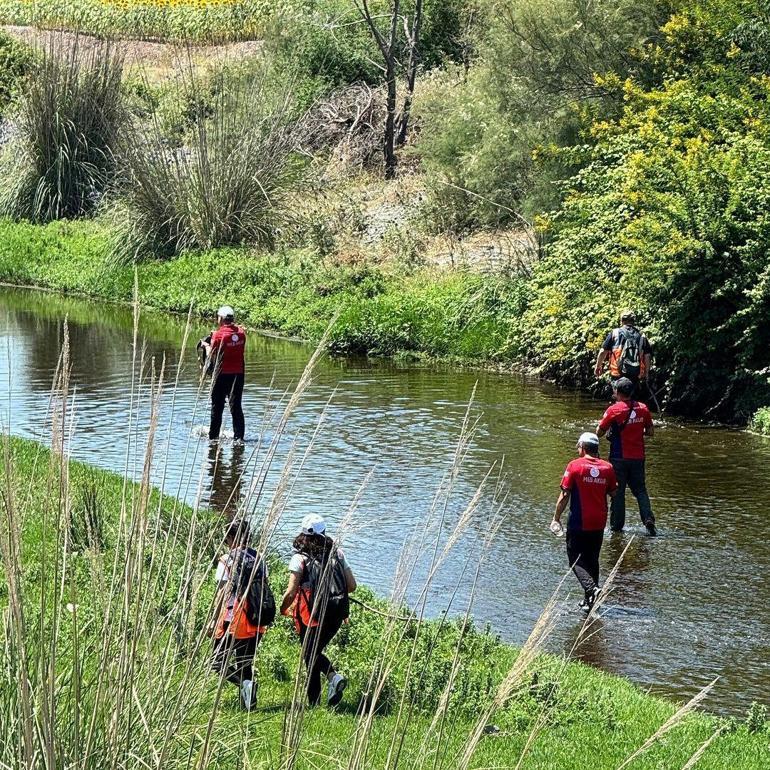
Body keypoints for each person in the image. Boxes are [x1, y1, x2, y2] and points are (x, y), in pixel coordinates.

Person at [280, 514, 357, 707]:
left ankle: (331, 679)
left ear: (303, 535)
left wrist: (282, 608)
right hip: (337, 613)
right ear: (324, 532)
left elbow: (291, 592)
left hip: (311, 615)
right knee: (313, 653)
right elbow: (352, 585)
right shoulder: (338, 554)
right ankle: (323, 694)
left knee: (309, 654)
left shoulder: (299, 558)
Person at [551, 432, 617, 611]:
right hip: (599, 521)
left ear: (583, 447)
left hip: (579, 521)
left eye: (578, 446)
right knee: (592, 559)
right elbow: (614, 493)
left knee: (575, 559)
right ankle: (590, 601)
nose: (577, 449)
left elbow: (565, 495)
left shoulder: (575, 466)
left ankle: (591, 589)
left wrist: (556, 518)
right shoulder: (608, 468)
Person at [211, 520, 270, 711]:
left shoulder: (226, 560)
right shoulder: (259, 558)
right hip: (256, 616)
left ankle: (246, 686)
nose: (226, 542)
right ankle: (249, 705)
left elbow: (223, 592)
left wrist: (213, 620)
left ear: (232, 538)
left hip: (233, 619)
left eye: (227, 538)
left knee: (216, 661)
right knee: (245, 662)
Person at [597, 377, 657, 535]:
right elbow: (650, 432)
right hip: (638, 457)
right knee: (641, 490)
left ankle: (617, 528)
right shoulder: (643, 408)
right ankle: (648, 519)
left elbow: (599, 432)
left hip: (618, 458)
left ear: (617, 392)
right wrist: (637, 430)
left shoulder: (614, 410)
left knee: (618, 492)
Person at [203, 305, 246, 442]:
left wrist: (206, 345)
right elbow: (234, 335)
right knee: (236, 407)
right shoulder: (241, 334)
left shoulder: (218, 335)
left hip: (221, 375)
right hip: (238, 375)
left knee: (217, 407)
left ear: (220, 318)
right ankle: (239, 438)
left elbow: (211, 354)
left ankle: (213, 438)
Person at [594, 311, 652, 392]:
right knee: (631, 400)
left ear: (621, 321)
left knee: (619, 398)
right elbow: (647, 356)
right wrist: (646, 373)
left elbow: (603, 351)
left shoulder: (615, 333)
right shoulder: (641, 335)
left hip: (617, 373)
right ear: (633, 321)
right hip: (635, 375)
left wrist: (598, 366)